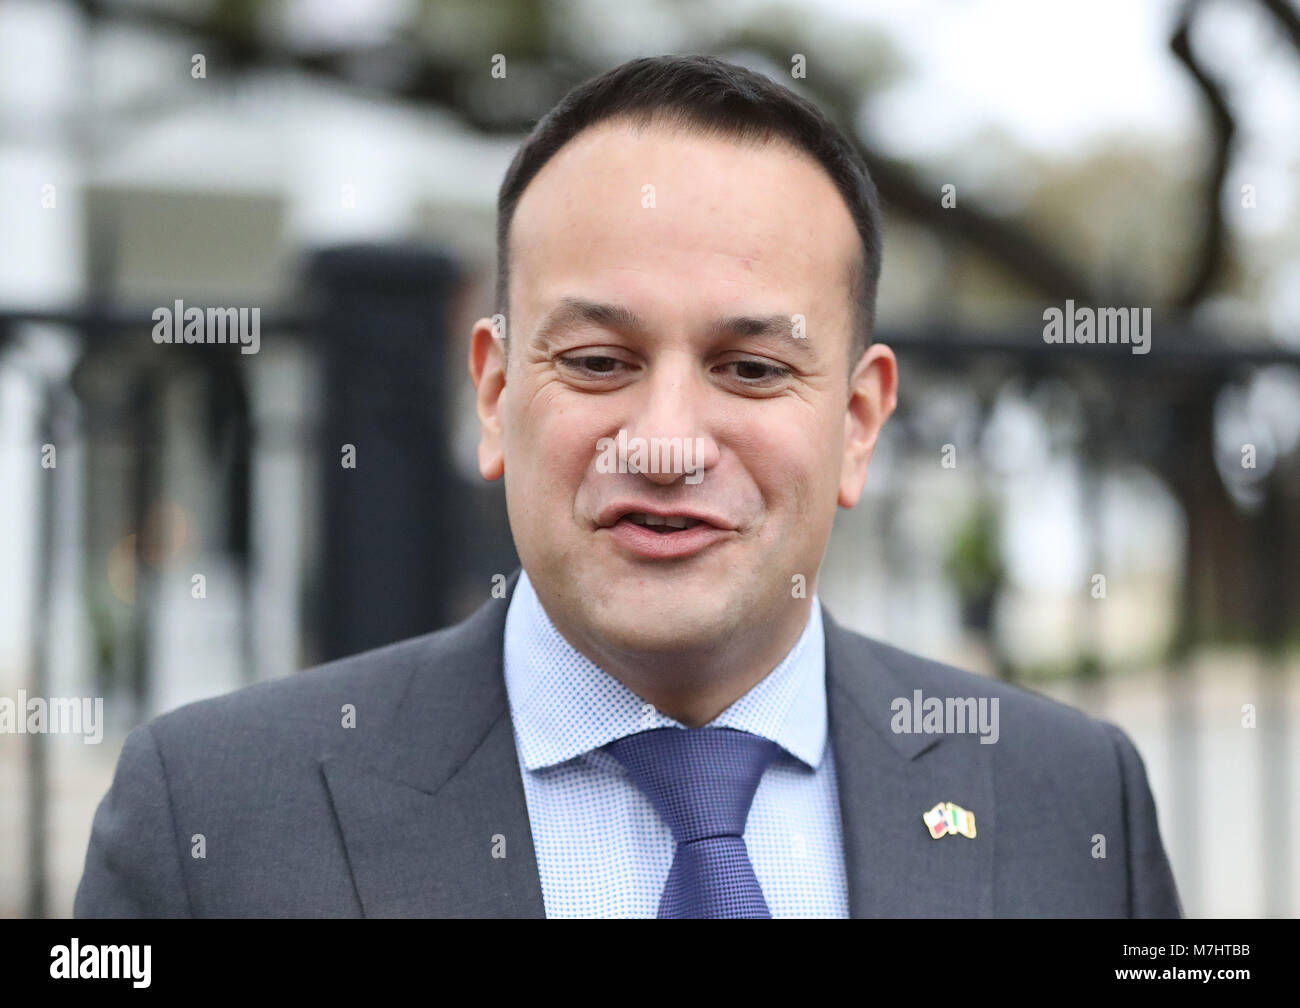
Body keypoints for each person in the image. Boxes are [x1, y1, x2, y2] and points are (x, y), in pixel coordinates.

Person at [76, 54, 1181, 918]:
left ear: (856, 424)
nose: (663, 445)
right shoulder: (214, 816)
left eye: (750, 369)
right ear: (496, 392)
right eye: (599, 362)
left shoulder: (1069, 802)